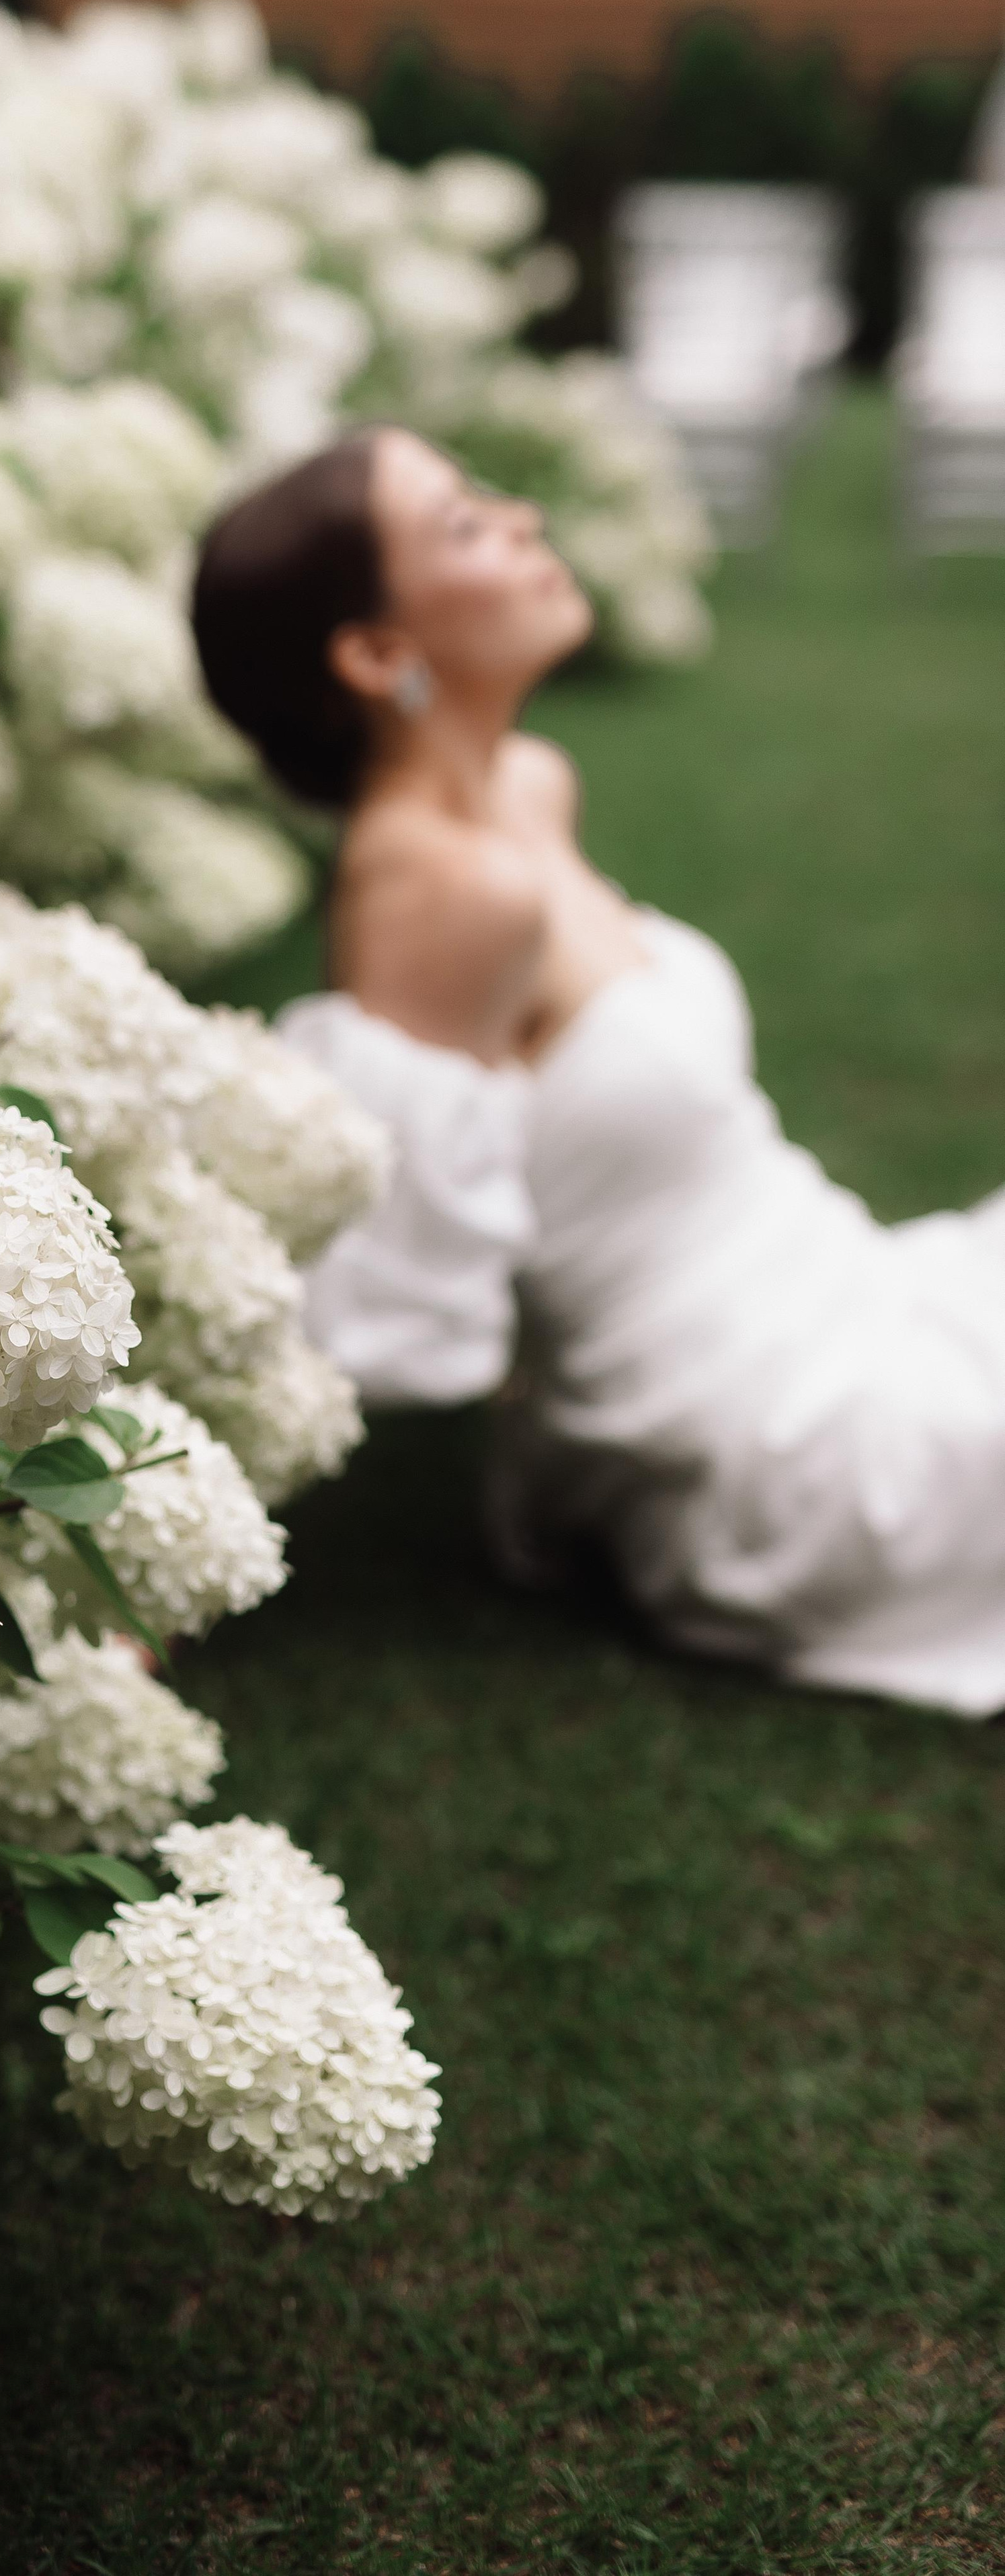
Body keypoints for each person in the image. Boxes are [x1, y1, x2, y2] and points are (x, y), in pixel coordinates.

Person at [192, 427, 1005, 1718]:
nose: (522, 518)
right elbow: (372, 1279)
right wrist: (154, 1556)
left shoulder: (526, 787)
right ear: (378, 654)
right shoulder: (438, 891)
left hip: (845, 1290)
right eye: (463, 524)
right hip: (770, 1442)